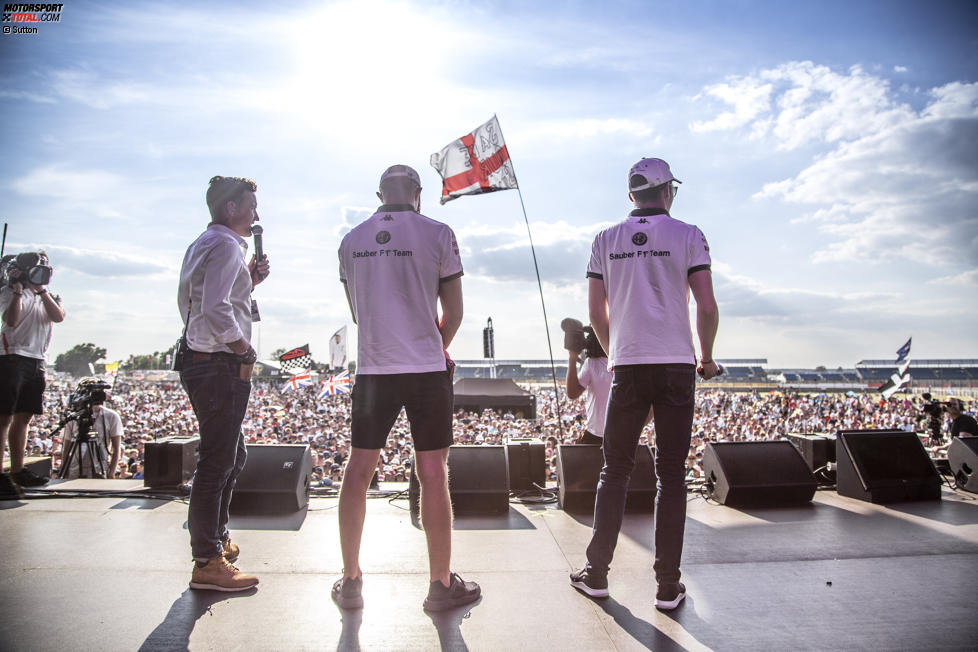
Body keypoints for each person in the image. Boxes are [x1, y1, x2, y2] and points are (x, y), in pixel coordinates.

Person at [570, 158, 720, 611]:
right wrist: (707, 358)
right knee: (671, 474)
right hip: (676, 364)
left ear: (631, 195)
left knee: (613, 470)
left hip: (629, 365)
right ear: (667, 192)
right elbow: (707, 306)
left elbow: (597, 313)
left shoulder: (604, 240)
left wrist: (615, 351)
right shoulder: (689, 234)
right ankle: (666, 586)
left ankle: (596, 574)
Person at [333, 164, 479, 611]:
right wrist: (433, 346)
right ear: (418, 195)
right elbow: (453, 313)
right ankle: (440, 584)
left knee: (359, 469)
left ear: (379, 194)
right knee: (432, 472)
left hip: (374, 368)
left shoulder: (351, 240)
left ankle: (352, 580)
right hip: (425, 368)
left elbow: (358, 313)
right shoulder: (438, 233)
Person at [177, 175, 269, 592]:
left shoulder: (205, 243)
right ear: (231, 208)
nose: (255, 215)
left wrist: (249, 279)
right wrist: (242, 349)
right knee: (217, 461)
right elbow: (216, 308)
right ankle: (207, 561)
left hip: (202, 358)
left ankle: (216, 538)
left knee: (234, 452)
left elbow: (201, 300)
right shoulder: (227, 245)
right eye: (250, 206)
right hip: (218, 363)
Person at [1, 251, 64, 491]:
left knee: (24, 417)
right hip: (11, 356)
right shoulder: (9, 292)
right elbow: (11, 320)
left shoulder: (49, 296)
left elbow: (57, 317)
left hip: (37, 360)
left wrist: (41, 291)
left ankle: (18, 470)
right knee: (4, 417)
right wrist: (18, 291)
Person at [60, 381, 124, 479]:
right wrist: (64, 470)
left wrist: (111, 472)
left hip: (100, 467)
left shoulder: (111, 416)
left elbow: (116, 448)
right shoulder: (73, 417)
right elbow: (66, 447)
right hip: (75, 469)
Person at [565, 328, 613, 445]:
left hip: (622, 436)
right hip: (594, 434)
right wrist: (572, 357)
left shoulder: (627, 362)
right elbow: (572, 393)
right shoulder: (591, 363)